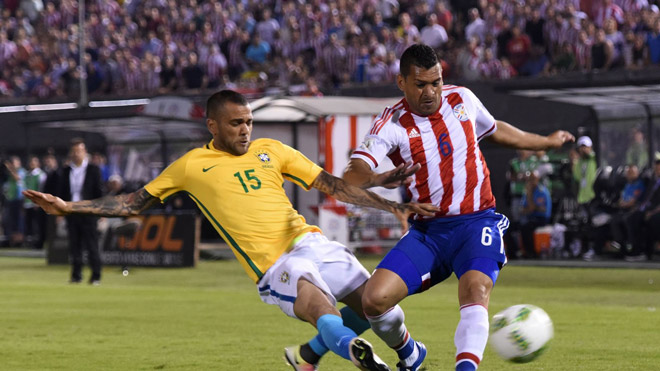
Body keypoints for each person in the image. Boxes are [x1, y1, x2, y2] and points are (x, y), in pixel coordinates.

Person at [24, 90, 440, 371]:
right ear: (213, 126)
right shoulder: (189, 166)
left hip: (311, 241)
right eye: (236, 123)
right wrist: (69, 206)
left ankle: (407, 354)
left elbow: (331, 184)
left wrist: (393, 204)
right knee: (319, 309)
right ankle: (353, 351)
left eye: (249, 122)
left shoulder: (271, 150)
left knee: (379, 307)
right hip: (274, 264)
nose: (246, 130)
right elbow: (132, 202)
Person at [342, 44, 574, 371]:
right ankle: (410, 352)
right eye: (420, 84)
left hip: (477, 222)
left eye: (435, 82)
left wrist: (545, 142)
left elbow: (494, 130)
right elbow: (353, 174)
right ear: (401, 83)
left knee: (476, 289)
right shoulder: (391, 124)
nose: (430, 92)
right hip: (429, 235)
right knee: (373, 301)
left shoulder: (462, 98)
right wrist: (379, 177)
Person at [59, 138, 104, 285]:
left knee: (92, 245)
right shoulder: (66, 171)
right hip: (72, 212)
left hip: (88, 212)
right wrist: (60, 212)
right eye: (74, 151)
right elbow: (63, 192)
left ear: (85, 152)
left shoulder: (93, 169)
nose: (77, 154)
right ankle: (76, 275)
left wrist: (101, 211)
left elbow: (99, 192)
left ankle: (95, 276)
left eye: (79, 151)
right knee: (74, 246)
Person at [572, 136, 598, 259]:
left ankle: (593, 248)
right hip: (582, 198)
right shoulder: (579, 163)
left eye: (586, 147)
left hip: (592, 197)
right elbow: (577, 178)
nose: (584, 149)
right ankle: (585, 249)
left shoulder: (593, 159)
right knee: (584, 225)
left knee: (592, 224)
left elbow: (591, 155)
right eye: (581, 147)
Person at [519, 170, 552, 259]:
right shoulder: (527, 192)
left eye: (533, 179)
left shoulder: (541, 191)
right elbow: (522, 209)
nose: (530, 182)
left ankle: (531, 253)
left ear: (537, 180)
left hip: (542, 218)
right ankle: (513, 253)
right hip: (531, 217)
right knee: (510, 226)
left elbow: (532, 208)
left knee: (526, 227)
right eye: (529, 179)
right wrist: (530, 208)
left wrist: (530, 196)